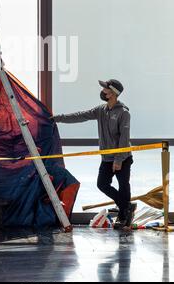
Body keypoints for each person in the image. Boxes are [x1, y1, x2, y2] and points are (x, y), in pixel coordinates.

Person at [51, 79, 135, 230]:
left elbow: (124, 138)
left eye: (105, 89)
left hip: (122, 158)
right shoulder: (101, 110)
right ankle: (126, 206)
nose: (103, 91)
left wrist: (118, 159)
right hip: (106, 158)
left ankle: (124, 215)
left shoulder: (123, 113)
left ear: (113, 93)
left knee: (124, 186)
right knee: (102, 184)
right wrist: (59, 118)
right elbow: (81, 115)